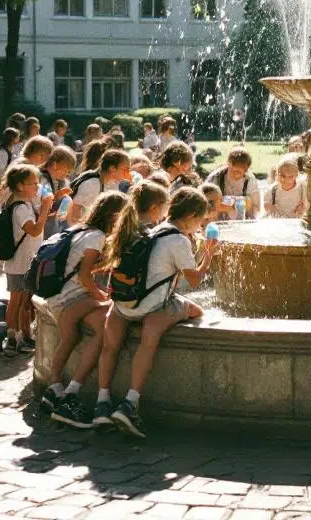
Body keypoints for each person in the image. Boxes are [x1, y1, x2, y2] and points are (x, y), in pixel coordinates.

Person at [101, 186, 214, 438]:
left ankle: (102, 401)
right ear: (192, 215)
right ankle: (130, 403)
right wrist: (208, 255)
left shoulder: (151, 230)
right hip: (151, 307)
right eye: (201, 220)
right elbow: (195, 281)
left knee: (114, 344)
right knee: (196, 311)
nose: (200, 225)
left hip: (124, 305)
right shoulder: (178, 240)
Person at [42, 191, 130, 428]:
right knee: (114, 317)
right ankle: (72, 393)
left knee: (78, 335)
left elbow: (82, 268)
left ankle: (55, 387)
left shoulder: (81, 230)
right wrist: (100, 295)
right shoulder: (97, 237)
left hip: (58, 296)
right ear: (116, 217)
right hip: (71, 297)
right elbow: (83, 276)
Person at [0, 164, 55, 356]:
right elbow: (35, 229)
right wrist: (46, 207)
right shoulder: (20, 207)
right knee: (16, 300)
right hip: (19, 262)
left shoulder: (23, 203)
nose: (37, 187)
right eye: (33, 184)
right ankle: (12, 336)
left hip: (25, 260)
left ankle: (22, 334)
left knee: (24, 301)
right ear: (20, 186)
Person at [67, 149, 132, 225]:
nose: (128, 173)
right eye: (125, 169)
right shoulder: (92, 184)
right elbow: (75, 213)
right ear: (112, 169)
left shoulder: (113, 183)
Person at [207, 147, 261, 219]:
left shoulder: (250, 180)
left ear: (246, 170)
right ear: (228, 164)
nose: (236, 175)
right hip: (217, 221)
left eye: (239, 172)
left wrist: (246, 205)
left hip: (241, 221)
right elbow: (206, 205)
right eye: (234, 171)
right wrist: (232, 206)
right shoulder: (216, 178)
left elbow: (256, 207)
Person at [41, 146, 78, 236]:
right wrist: (58, 196)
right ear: (55, 165)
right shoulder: (43, 180)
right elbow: (47, 203)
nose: (66, 174)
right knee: (66, 199)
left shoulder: (56, 180)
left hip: (49, 223)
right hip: (43, 227)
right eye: (65, 171)